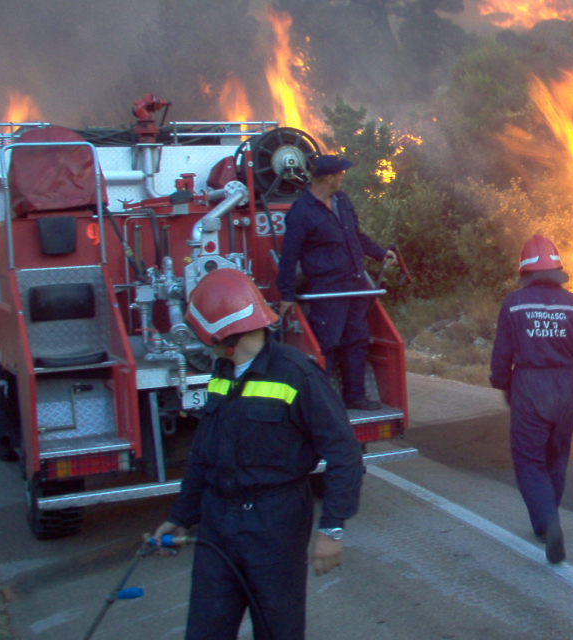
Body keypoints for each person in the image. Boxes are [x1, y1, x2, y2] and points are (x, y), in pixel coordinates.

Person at [152, 268, 364, 640]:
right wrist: (180, 517)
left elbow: (345, 453)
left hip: (275, 523)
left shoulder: (298, 374)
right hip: (218, 522)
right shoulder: (223, 372)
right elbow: (203, 455)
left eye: (208, 339)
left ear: (226, 336)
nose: (205, 347)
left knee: (277, 630)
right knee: (205, 629)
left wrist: (332, 528)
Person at [489, 234, 573, 564]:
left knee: (529, 460)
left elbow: (502, 355)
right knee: (556, 455)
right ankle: (549, 519)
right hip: (566, 386)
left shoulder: (513, 303)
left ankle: (547, 522)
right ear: (557, 271)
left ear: (525, 272)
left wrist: (503, 386)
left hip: (530, 385)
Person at [276, 154, 397, 410]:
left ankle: (355, 396)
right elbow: (289, 256)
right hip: (328, 291)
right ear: (329, 177)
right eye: (340, 174)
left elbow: (356, 236)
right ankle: (324, 403)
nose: (343, 177)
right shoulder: (301, 213)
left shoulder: (342, 201)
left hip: (355, 284)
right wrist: (286, 294)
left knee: (356, 339)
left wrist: (379, 252)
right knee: (327, 343)